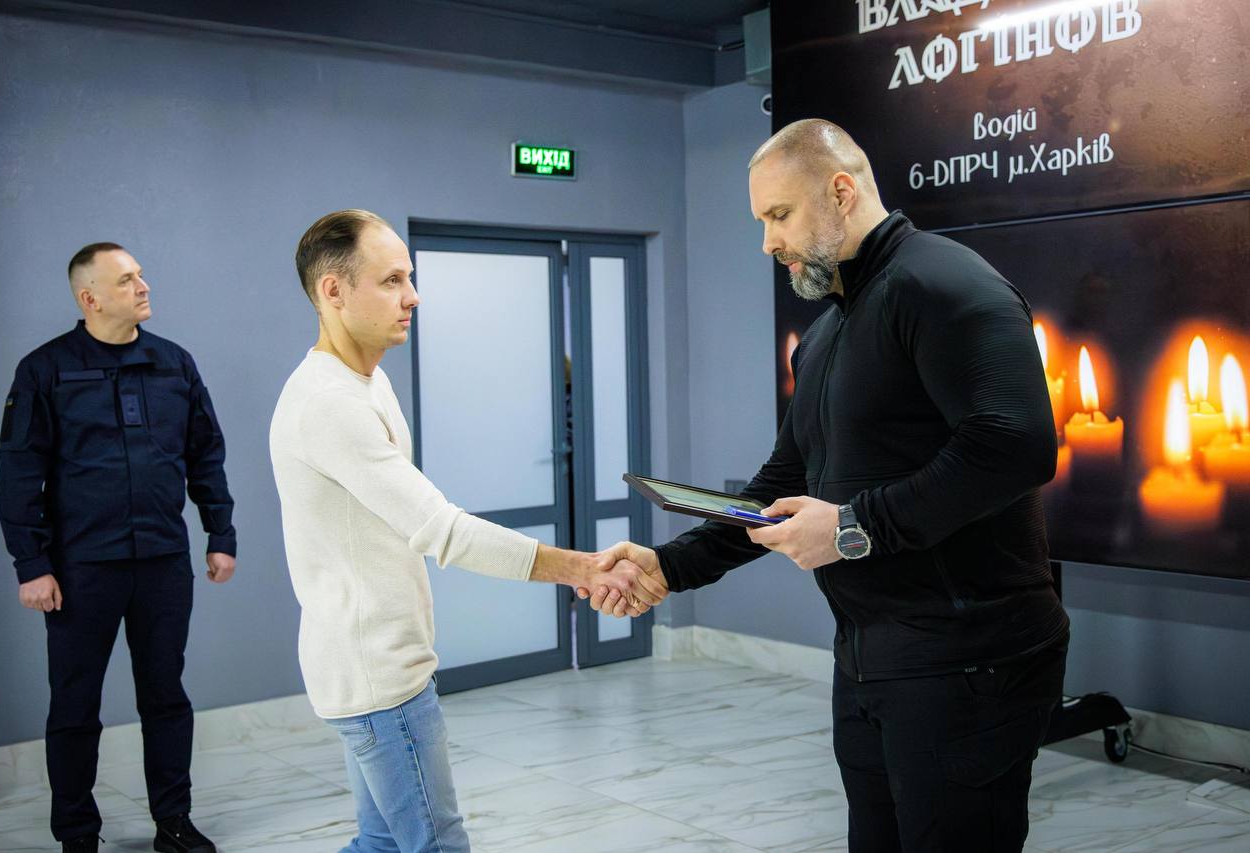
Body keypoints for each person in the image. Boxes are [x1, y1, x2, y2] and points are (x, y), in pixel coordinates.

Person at [593, 120, 1070, 852]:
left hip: (970, 662)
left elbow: (1015, 447)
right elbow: (783, 482)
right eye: (762, 221)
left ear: (841, 192)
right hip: (870, 657)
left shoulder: (944, 284)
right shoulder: (823, 335)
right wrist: (670, 565)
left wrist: (852, 527)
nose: (767, 243)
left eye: (779, 216)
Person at [269, 209, 664, 853]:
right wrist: (585, 568)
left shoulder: (364, 382)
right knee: (436, 844)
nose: (413, 296)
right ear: (333, 291)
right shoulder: (330, 404)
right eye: (392, 281)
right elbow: (442, 530)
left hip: (373, 666)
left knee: (382, 843)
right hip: (379, 677)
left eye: (409, 277)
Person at [0, 243, 237, 853]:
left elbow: (206, 453)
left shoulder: (174, 363)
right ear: (91, 298)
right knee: (74, 706)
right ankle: (78, 835)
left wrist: (220, 533)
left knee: (166, 697)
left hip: (162, 560)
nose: (143, 286)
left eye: (140, 275)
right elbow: (20, 472)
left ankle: (173, 824)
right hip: (81, 568)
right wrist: (32, 565)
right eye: (127, 279)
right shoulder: (45, 369)